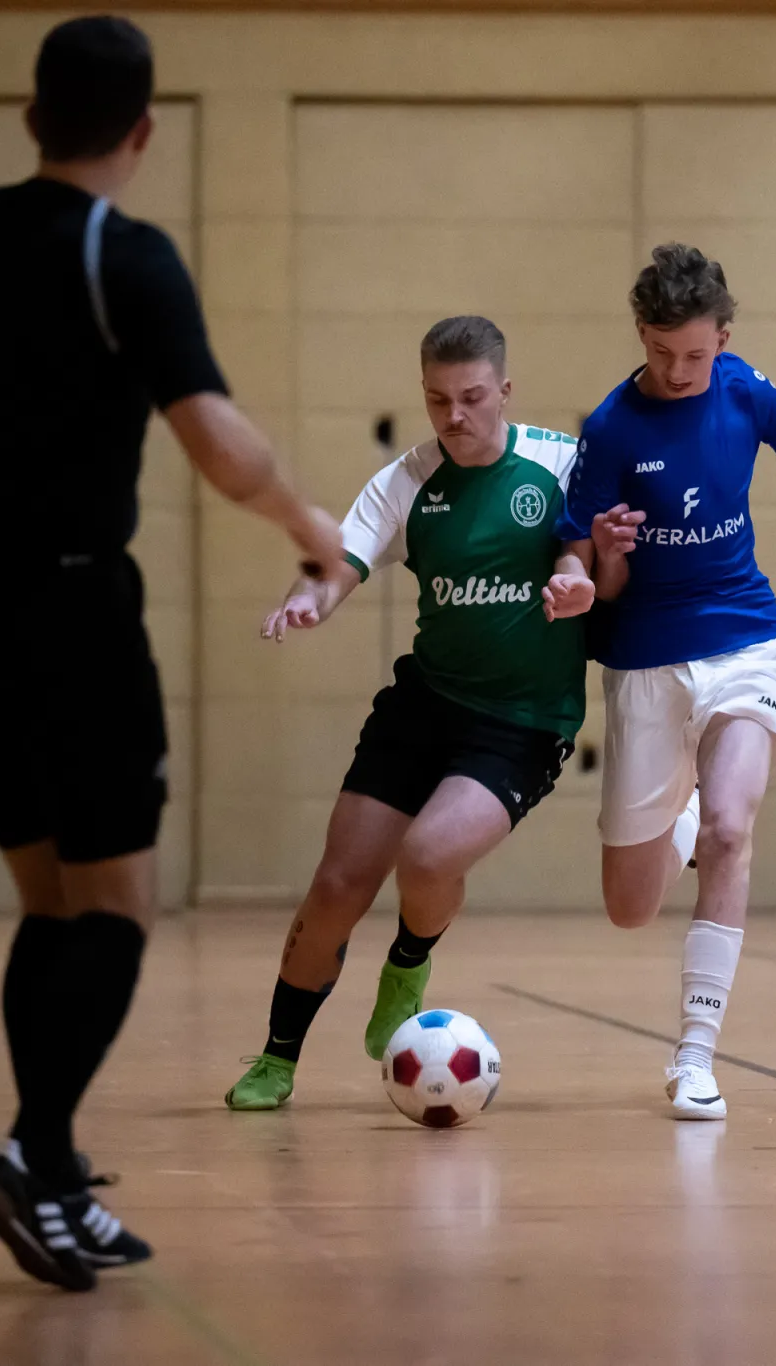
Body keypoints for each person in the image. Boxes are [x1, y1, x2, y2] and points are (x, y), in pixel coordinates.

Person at [0, 16, 340, 1289]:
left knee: (51, 902)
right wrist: (310, 529)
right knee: (119, 912)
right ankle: (30, 1154)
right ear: (141, 131)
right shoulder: (123, 255)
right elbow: (218, 443)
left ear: (32, 116)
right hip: (70, 611)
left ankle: (55, 1176)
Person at [223, 316, 596, 1111]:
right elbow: (337, 561)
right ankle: (277, 1058)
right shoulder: (409, 479)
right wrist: (309, 602)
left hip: (523, 722)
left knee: (426, 859)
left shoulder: (563, 465)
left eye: (471, 397)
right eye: (437, 399)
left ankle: (408, 961)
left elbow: (598, 555)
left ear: (505, 390)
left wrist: (580, 582)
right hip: (424, 705)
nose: (454, 415)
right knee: (336, 886)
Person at [557, 244, 776, 1120]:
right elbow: (593, 577)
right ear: (640, 333)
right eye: (662, 351)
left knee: (733, 832)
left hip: (745, 638)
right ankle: (688, 813)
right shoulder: (610, 429)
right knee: (630, 907)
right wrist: (601, 563)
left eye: (696, 354)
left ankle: (695, 1056)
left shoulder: (748, 392)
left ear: (724, 339)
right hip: (646, 658)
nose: (678, 370)